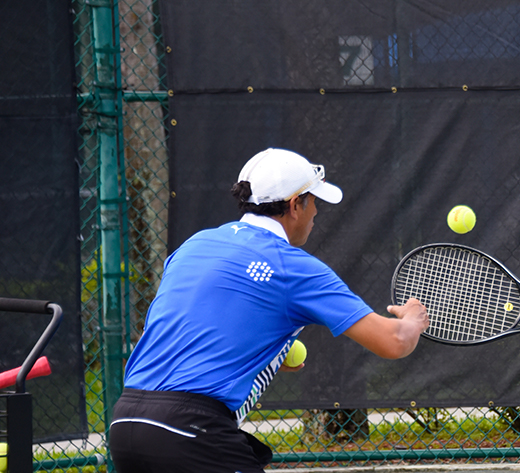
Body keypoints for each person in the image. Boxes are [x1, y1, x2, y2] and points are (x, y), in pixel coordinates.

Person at [108, 148, 430, 473]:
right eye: (313, 200)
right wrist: (413, 319)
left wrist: (260, 351)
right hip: (190, 432)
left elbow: (185, 326)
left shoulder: (194, 245)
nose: (317, 211)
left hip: (125, 423)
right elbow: (393, 341)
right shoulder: (292, 267)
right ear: (295, 206)